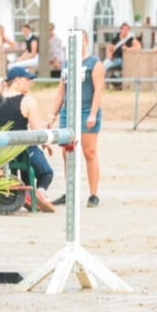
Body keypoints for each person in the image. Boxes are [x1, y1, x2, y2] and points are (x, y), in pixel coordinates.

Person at [0, 66, 56, 212]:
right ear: (17, 81)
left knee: (22, 164)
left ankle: (25, 194)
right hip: (23, 149)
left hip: (1, 153)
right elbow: (37, 132)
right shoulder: (27, 101)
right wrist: (47, 144)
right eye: (27, 80)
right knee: (47, 173)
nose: (30, 83)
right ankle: (40, 192)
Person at [49, 29, 105, 208]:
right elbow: (61, 91)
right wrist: (53, 114)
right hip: (68, 111)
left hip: (86, 109)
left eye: (80, 41)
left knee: (89, 152)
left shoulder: (94, 63)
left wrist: (93, 113)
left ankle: (93, 194)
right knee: (66, 152)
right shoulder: (67, 64)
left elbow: (99, 89)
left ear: (86, 42)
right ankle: (70, 191)